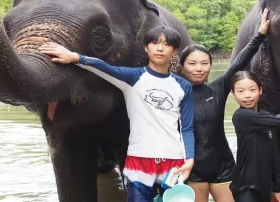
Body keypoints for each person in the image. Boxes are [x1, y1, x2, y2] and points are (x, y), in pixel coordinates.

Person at [39, 25, 194, 202]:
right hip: (139, 163)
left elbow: (187, 127)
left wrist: (189, 159)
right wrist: (76, 57)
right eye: (154, 42)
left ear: (174, 51)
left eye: (166, 44)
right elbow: (102, 67)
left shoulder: (183, 86)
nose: (160, 48)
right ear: (146, 48)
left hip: (174, 163)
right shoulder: (132, 78)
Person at [179, 8, 270, 202]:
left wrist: (260, 34)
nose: (198, 68)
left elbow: (239, 63)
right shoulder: (175, 93)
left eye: (204, 63)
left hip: (224, 166)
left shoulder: (218, 88)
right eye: (192, 63)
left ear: (210, 66)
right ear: (182, 66)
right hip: (193, 168)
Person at [229, 71, 280, 202]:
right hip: (246, 188)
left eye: (252, 90)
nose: (247, 96)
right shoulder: (242, 116)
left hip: (263, 187)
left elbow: (273, 155)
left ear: (260, 90)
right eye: (240, 91)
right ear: (233, 93)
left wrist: (277, 187)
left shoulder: (264, 117)